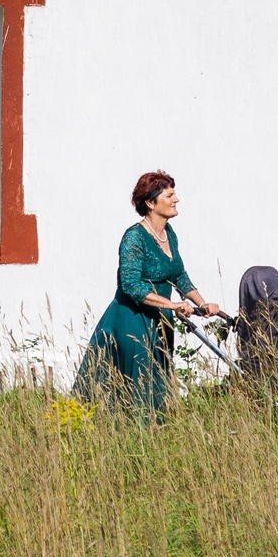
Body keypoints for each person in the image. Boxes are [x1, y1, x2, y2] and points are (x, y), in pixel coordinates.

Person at [75, 170, 224, 416]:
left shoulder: (170, 233)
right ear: (150, 202)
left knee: (158, 379)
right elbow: (131, 286)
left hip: (161, 319)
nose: (176, 200)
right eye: (169, 195)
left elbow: (178, 275)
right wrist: (173, 305)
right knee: (136, 384)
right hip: (131, 319)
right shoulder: (134, 237)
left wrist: (202, 303)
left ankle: (156, 435)